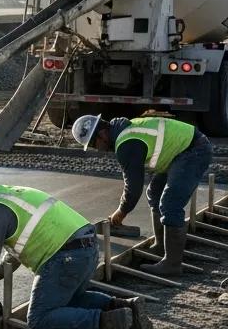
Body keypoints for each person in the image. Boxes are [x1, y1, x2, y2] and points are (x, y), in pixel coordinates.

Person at [0, 165, 151, 329]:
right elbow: (19, 244)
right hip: (87, 247)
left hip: (64, 257)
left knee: (39, 318)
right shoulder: (10, 193)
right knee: (66, 301)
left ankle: (109, 322)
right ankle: (127, 308)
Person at [72, 113, 212, 277]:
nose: (99, 149)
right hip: (181, 151)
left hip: (193, 151)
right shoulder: (124, 129)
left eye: (95, 144)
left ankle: (172, 264)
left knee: (170, 204)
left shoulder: (126, 144)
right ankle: (161, 246)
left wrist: (121, 211)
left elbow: (133, 186)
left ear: (102, 134)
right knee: (155, 192)